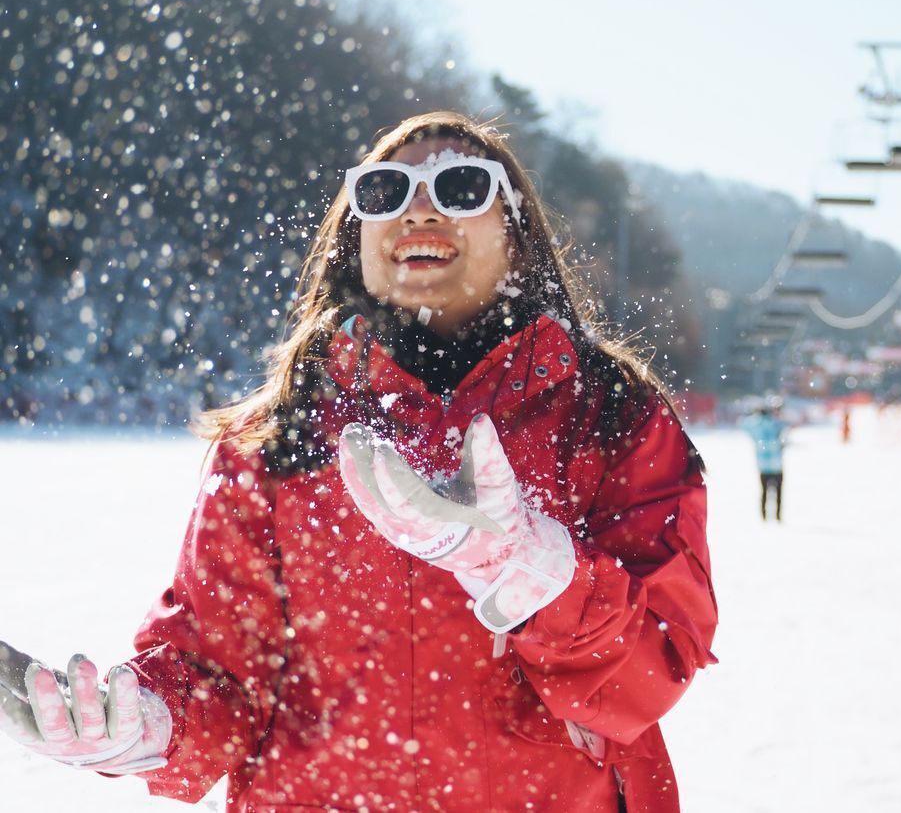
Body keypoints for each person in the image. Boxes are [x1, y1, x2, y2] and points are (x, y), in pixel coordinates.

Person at [0, 112, 718, 812]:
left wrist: (533, 572)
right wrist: (151, 726)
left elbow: (653, 673)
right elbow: (223, 673)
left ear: (517, 233)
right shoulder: (275, 437)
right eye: (385, 193)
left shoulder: (610, 414)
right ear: (358, 235)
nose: (419, 211)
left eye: (463, 187)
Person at [739, 399, 787, 521]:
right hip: (777, 465)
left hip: (763, 466)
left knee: (764, 492)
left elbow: (742, 423)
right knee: (778, 493)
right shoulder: (775, 424)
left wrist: (755, 416)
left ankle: (764, 516)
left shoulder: (756, 427)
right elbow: (786, 427)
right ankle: (778, 516)